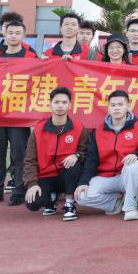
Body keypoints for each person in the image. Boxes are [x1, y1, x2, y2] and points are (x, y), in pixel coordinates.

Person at [75, 90, 138, 220]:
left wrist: (137, 155)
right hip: (105, 176)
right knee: (81, 196)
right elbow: (91, 160)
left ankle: (130, 207)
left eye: (120, 104)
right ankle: (116, 202)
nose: (116, 108)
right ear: (108, 107)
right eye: (113, 105)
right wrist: (83, 182)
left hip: (127, 176)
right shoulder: (98, 131)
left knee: (133, 165)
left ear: (128, 106)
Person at [0, 13, 33, 206]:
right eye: (10, 32)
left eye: (17, 33)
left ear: (23, 36)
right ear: (4, 33)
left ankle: (19, 190)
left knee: (20, 154)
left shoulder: (31, 55)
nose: (13, 36)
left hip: (19, 113)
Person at [23, 86, 89, 221]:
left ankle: (69, 203)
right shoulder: (38, 129)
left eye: (64, 102)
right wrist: (32, 184)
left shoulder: (79, 127)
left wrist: (77, 155)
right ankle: (51, 199)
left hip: (67, 175)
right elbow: (30, 159)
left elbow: (86, 152)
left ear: (70, 105)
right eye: (56, 102)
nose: (60, 106)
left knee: (74, 164)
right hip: (45, 176)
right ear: (50, 104)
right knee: (33, 203)